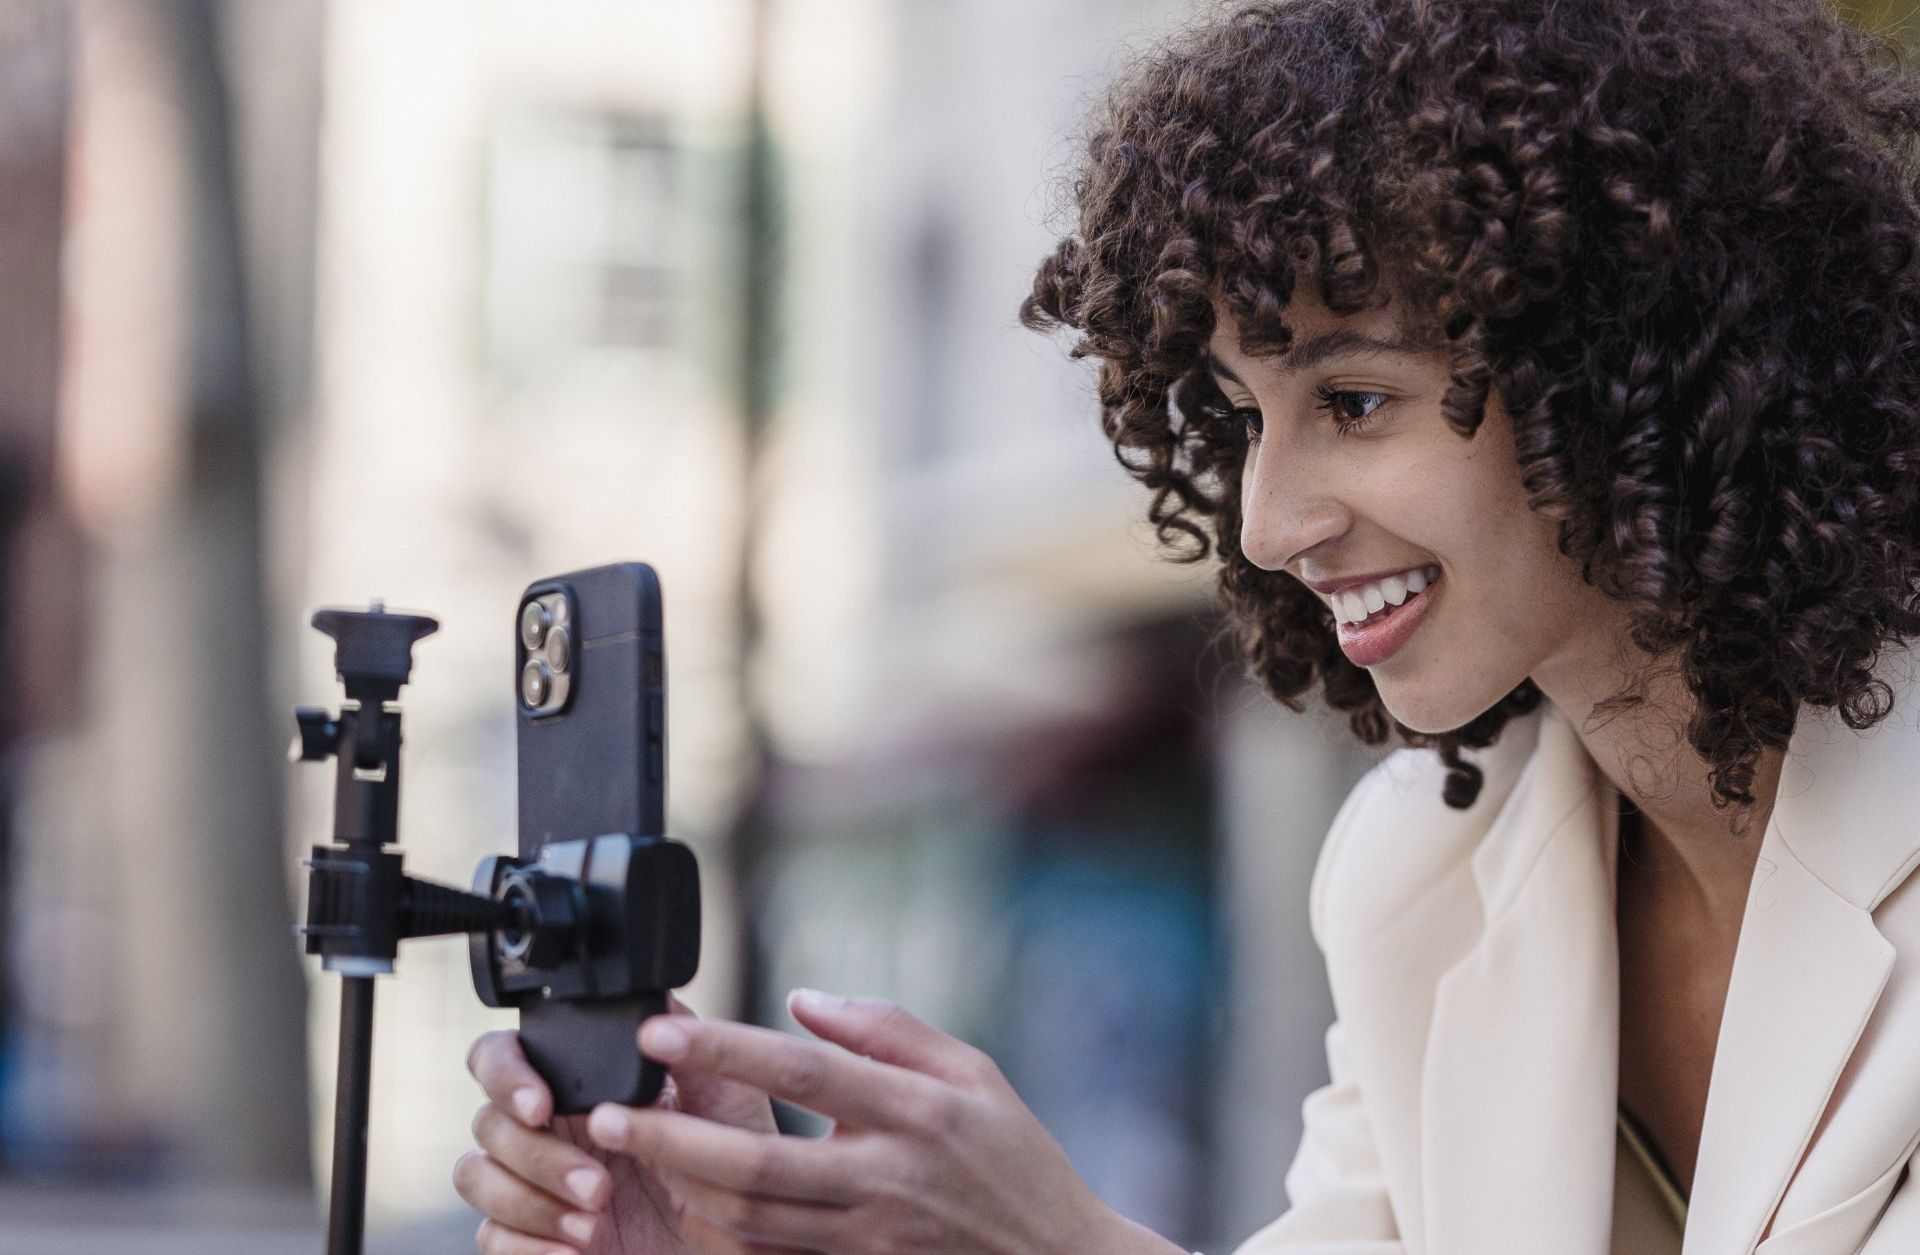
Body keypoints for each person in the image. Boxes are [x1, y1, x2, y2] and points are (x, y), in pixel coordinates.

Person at [453, 0, 1920, 1249]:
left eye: (1354, 402)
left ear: (1625, 369)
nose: (1271, 523)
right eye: (1240, 416)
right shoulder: (1424, 872)